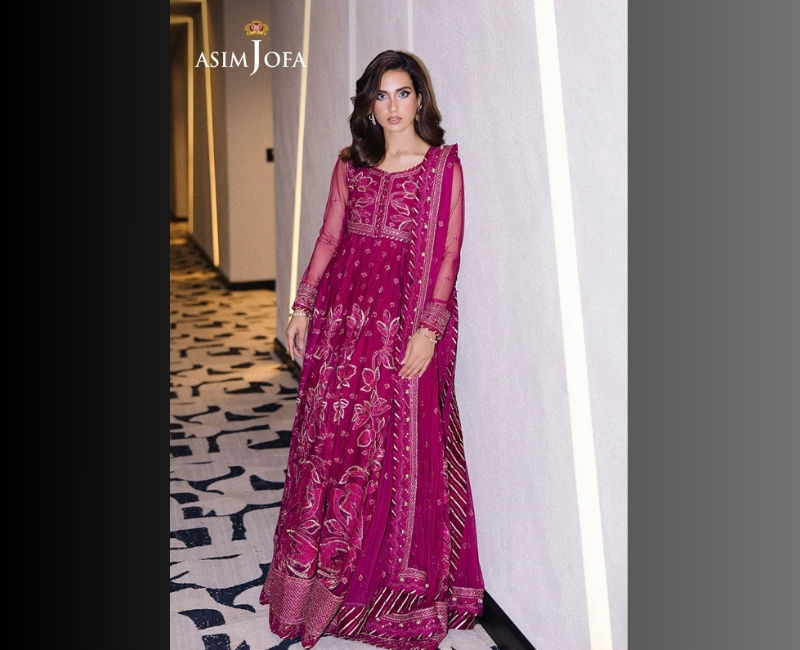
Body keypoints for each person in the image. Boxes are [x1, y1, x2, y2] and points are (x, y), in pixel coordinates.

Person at [260, 50, 484, 650]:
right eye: (380, 95)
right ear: (368, 104)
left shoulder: (441, 168)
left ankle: (390, 593)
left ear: (420, 98)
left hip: (404, 327)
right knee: (332, 442)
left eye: (402, 93)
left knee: (395, 449)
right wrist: (302, 306)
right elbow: (329, 236)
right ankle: (316, 584)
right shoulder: (351, 165)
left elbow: (449, 253)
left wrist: (428, 331)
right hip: (343, 325)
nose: (392, 107)